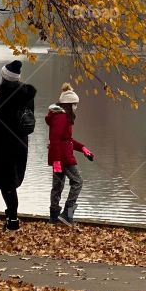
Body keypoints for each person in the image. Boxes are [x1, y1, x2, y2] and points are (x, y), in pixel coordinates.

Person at [0, 59, 36, 231]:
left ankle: (13, 221)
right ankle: (11, 217)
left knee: (6, 183)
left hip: (5, 145)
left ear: (4, 77)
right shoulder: (26, 95)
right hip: (21, 142)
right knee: (10, 182)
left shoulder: (4, 97)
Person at [46, 83, 94, 226]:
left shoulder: (61, 116)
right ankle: (67, 214)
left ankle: (54, 218)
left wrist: (84, 149)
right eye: (75, 104)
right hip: (63, 158)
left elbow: (67, 140)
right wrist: (56, 161)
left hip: (60, 157)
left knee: (57, 186)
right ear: (69, 105)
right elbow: (54, 140)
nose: (76, 107)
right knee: (78, 182)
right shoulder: (61, 117)